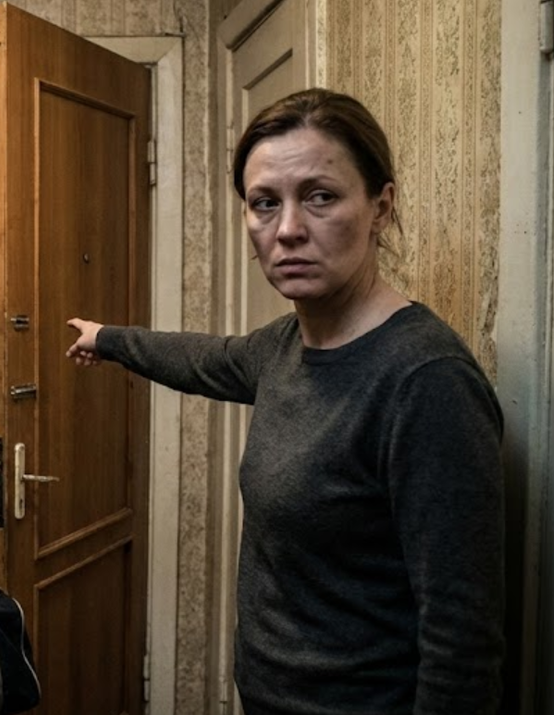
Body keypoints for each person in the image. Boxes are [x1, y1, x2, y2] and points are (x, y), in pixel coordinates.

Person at [66, 89, 503, 715]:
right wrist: (108, 339)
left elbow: (462, 644)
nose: (289, 229)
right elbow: (206, 358)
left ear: (381, 207)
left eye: (320, 196)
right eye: (265, 203)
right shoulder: (284, 346)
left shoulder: (426, 381)